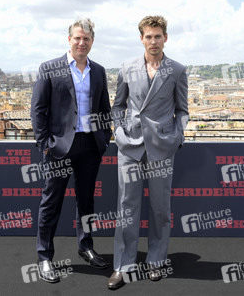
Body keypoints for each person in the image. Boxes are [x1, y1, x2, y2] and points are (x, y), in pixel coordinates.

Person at [108, 15, 189, 290]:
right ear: (141, 38)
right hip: (129, 145)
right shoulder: (127, 67)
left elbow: (183, 110)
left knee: (160, 209)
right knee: (126, 208)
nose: (153, 41)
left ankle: (156, 261)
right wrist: (118, 133)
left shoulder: (177, 70)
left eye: (158, 36)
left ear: (165, 38)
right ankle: (123, 265)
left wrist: (177, 136)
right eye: (148, 36)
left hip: (162, 147)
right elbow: (118, 106)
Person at [31, 18, 112, 283]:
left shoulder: (98, 71)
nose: (81, 43)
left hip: (90, 145)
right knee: (51, 202)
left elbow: (104, 108)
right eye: (77, 38)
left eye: (86, 39)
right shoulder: (49, 68)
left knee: (86, 200)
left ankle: (86, 246)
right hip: (60, 147)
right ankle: (45, 257)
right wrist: (46, 144)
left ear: (92, 42)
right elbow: (38, 110)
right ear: (69, 39)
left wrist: (104, 137)